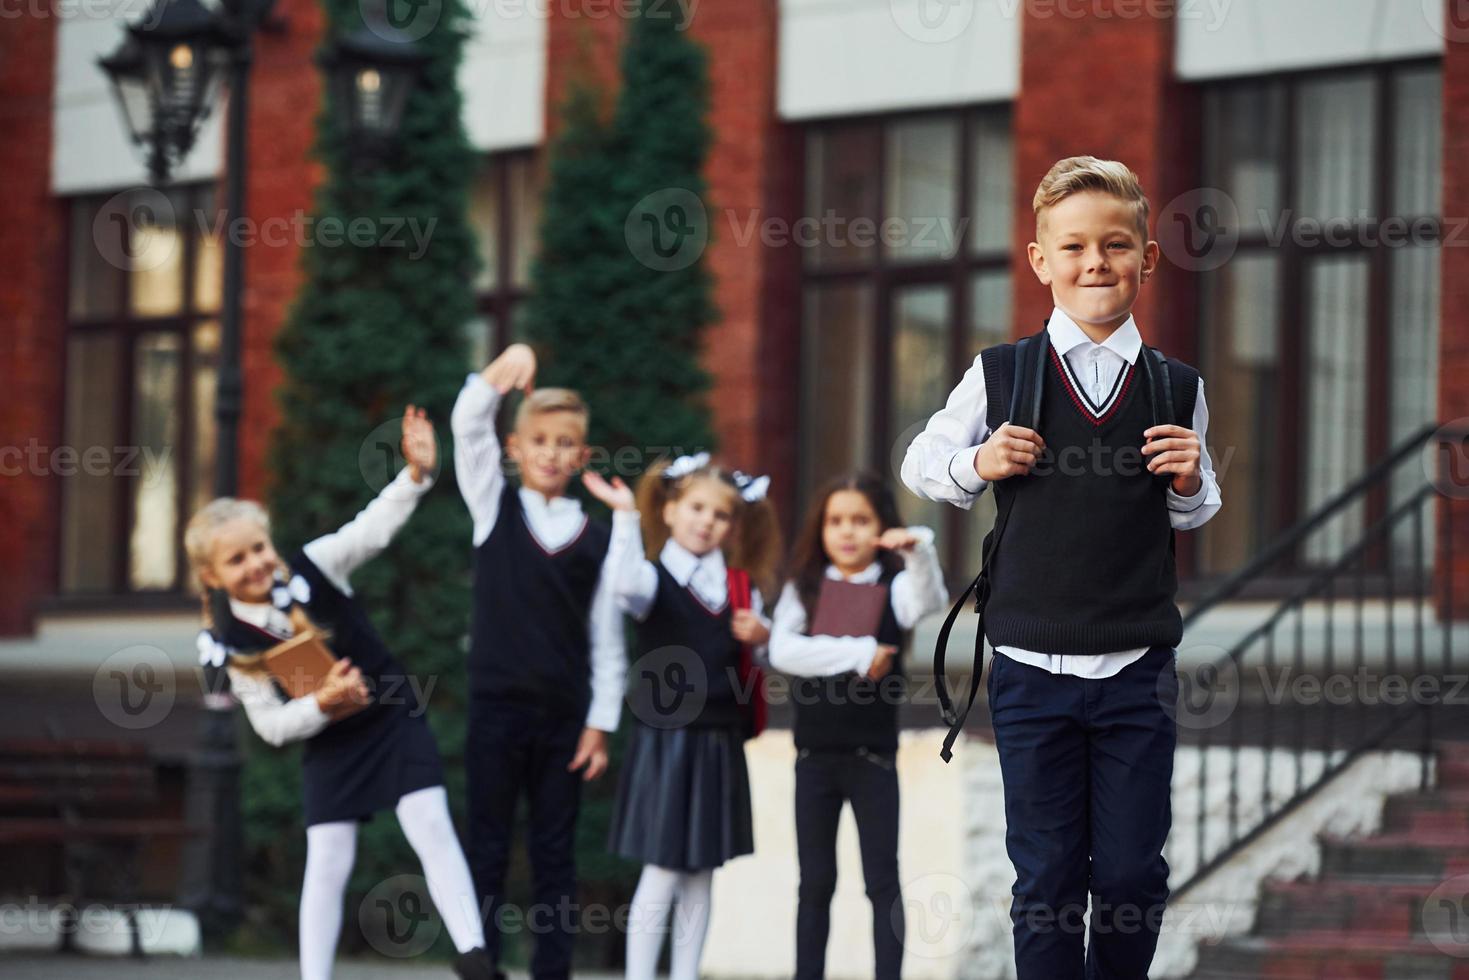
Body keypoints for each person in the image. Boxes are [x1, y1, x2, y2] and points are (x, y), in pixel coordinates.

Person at [901, 155, 1222, 979]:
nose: (1094, 263)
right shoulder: (1001, 374)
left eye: (1115, 246)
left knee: (1126, 877)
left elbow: (1194, 507)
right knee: (1044, 880)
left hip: (1135, 669)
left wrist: (1190, 477)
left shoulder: (1174, 387)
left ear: (1147, 258)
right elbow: (922, 461)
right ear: (1041, 261)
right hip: (1029, 670)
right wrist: (979, 461)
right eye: (1072, 247)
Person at [187, 408, 493, 980]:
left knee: (428, 817)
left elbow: (371, 526)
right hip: (330, 741)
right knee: (328, 858)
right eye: (236, 559)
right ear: (212, 578)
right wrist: (321, 704)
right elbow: (272, 727)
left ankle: (474, 957)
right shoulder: (231, 643)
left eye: (258, 547)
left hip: (391, 716)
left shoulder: (314, 568)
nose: (255, 563)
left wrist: (416, 475)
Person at [450, 343, 627, 980]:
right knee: (487, 846)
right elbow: (468, 421)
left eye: (565, 443)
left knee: (555, 852)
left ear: (582, 457)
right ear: (515, 449)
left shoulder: (597, 537)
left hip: (563, 718)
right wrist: (506, 366)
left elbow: (608, 638)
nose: (551, 452)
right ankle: (483, 966)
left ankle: (552, 970)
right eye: (540, 439)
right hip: (496, 709)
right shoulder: (490, 506)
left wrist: (600, 722)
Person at [582, 453, 781, 980]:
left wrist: (761, 639)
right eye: (695, 507)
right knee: (665, 864)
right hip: (666, 738)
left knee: (702, 869)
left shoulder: (742, 590)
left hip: (718, 737)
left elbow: (756, 665)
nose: (705, 522)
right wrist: (625, 519)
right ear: (668, 511)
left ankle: (686, 973)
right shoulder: (649, 578)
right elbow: (622, 588)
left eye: (719, 515)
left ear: (733, 525)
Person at [768, 471, 948, 980]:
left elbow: (928, 600)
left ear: (881, 526)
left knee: (882, 881)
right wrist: (861, 651)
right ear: (821, 528)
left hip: (873, 760)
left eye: (860, 520)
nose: (847, 532)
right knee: (816, 881)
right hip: (814, 762)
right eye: (836, 521)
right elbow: (784, 650)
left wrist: (921, 548)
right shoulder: (802, 587)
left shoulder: (894, 587)